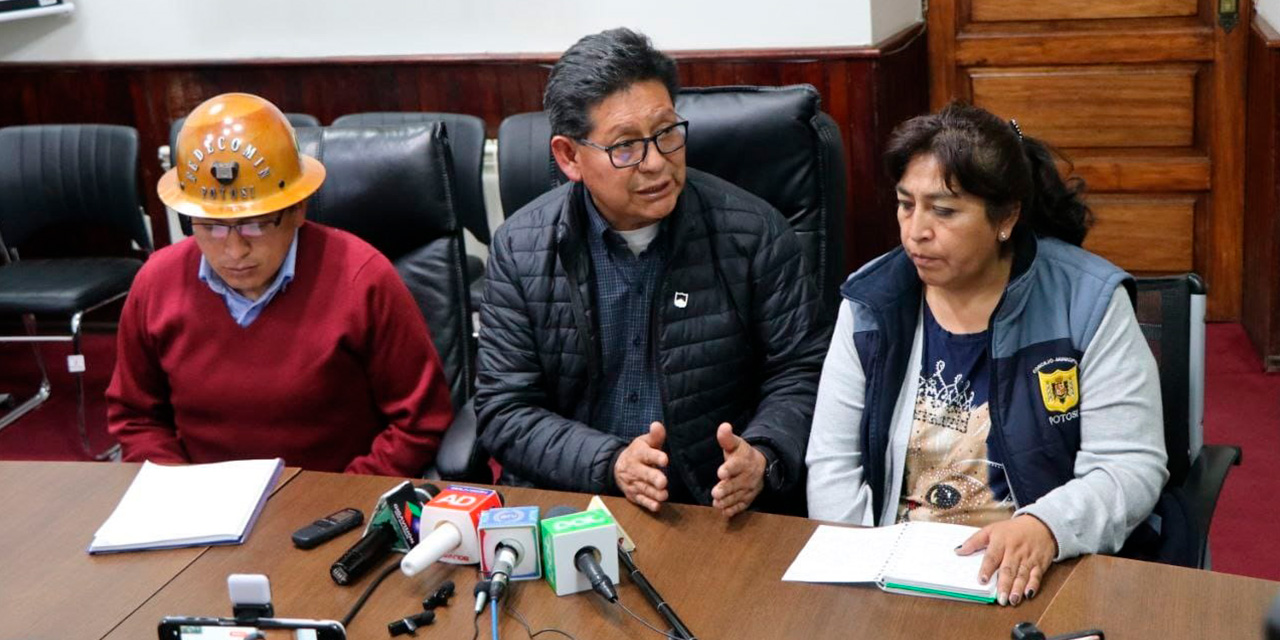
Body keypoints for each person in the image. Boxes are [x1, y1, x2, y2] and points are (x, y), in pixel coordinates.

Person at [805, 103, 1167, 606]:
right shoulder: (872, 303)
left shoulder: (1088, 302)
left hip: (1041, 568)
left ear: (1007, 217)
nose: (916, 231)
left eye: (944, 210)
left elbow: (1129, 465)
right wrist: (861, 568)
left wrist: (1047, 525)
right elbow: (832, 464)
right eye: (906, 204)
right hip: (896, 575)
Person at [476, 28, 828, 518]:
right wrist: (610, 462)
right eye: (625, 148)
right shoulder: (520, 249)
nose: (658, 163)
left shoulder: (754, 233)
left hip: (710, 508)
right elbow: (504, 409)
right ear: (569, 156)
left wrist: (764, 454)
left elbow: (802, 370)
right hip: (574, 500)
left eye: (667, 133)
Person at [106, 93, 453, 476]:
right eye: (213, 227)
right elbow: (136, 417)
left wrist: (335, 503)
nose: (235, 251)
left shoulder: (362, 278)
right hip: (203, 507)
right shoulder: (157, 282)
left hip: (332, 505)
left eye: (256, 224)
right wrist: (181, 492)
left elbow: (419, 422)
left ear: (298, 209)